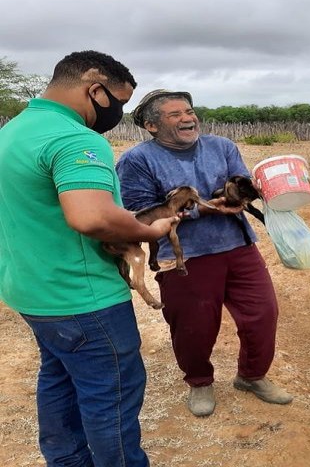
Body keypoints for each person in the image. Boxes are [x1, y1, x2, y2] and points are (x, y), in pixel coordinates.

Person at [0, 51, 179, 465]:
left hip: (31, 292)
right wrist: (149, 230)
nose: (118, 111)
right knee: (111, 398)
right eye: (118, 100)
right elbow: (91, 215)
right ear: (94, 88)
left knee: (59, 379)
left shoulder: (13, 132)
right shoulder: (74, 137)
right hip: (82, 298)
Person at [117, 89, 293, 417]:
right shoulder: (136, 160)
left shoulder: (222, 147)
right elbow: (141, 212)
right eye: (175, 115)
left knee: (262, 314)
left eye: (189, 111)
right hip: (185, 257)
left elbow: (239, 187)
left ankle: (252, 377)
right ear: (152, 125)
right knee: (193, 326)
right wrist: (204, 210)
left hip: (239, 247)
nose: (188, 118)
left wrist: (256, 190)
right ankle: (199, 382)